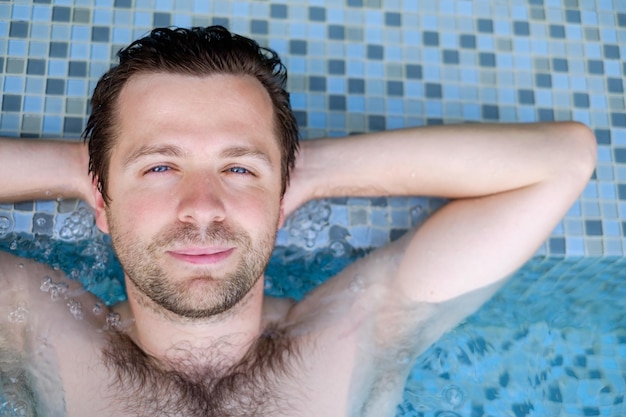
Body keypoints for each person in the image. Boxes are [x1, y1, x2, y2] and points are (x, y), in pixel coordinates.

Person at [0, 26, 595, 416]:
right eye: (160, 168)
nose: (202, 206)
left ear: (284, 197)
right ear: (101, 201)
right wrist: (84, 167)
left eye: (238, 170)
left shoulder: (356, 337)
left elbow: (560, 161)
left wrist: (304, 170)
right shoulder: (37, 330)